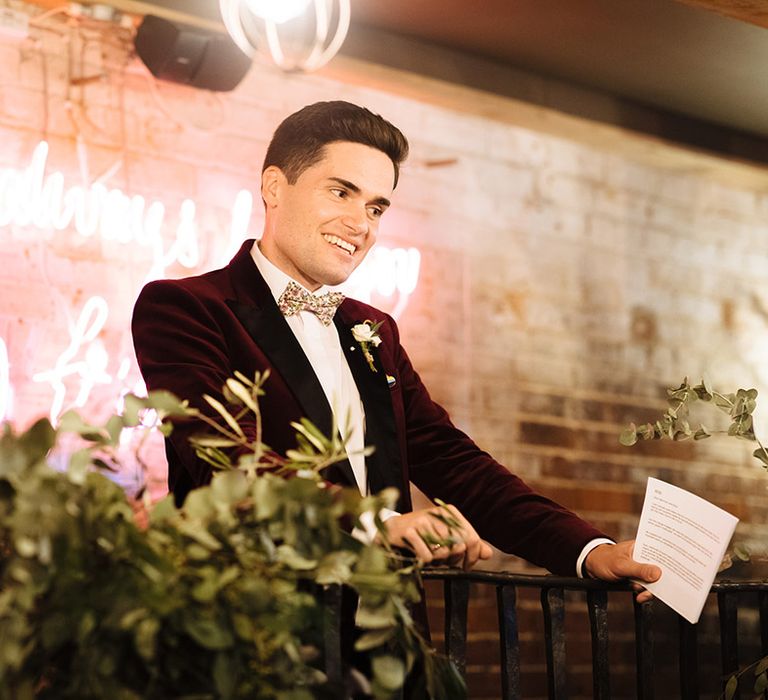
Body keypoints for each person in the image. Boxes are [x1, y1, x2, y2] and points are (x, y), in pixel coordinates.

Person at [132, 100, 660, 596]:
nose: (361, 225)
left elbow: (454, 463)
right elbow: (225, 458)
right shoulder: (185, 307)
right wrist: (377, 524)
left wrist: (589, 550)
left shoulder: (374, 329)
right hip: (258, 637)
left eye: (377, 207)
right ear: (275, 186)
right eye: (340, 192)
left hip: (389, 640)